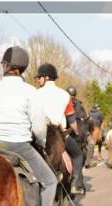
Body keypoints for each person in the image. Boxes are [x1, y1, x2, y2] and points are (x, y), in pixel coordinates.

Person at [0, 46, 57, 206]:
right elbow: (40, 127)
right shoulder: (30, 91)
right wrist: (41, 142)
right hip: (19, 145)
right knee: (50, 181)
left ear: (6, 66)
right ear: (22, 68)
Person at [35, 63, 85, 195]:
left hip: (38, 134)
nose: (37, 80)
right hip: (59, 135)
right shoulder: (64, 95)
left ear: (45, 78)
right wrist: (76, 131)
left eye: (38, 77)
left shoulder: (35, 94)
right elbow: (71, 119)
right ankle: (75, 184)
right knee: (78, 155)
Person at [66, 85, 97, 168]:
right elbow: (87, 119)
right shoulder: (80, 105)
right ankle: (88, 162)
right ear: (75, 94)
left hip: (65, 129)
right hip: (79, 131)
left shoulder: (63, 101)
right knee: (91, 143)